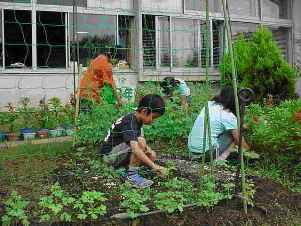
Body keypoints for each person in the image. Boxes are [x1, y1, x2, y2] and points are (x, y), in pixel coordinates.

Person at [100, 94, 167, 188]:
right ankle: (131, 175)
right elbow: (135, 148)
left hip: (119, 151)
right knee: (139, 143)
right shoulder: (130, 122)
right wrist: (154, 166)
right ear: (144, 111)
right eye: (153, 117)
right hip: (109, 156)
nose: (153, 121)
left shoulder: (137, 120)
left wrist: (149, 153)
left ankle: (128, 169)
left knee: (151, 153)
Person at [188, 86, 250, 161]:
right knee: (234, 134)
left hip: (192, 151)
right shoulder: (228, 115)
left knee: (232, 130)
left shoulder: (209, 104)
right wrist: (250, 153)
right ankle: (221, 158)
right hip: (206, 153)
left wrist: (241, 126)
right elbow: (240, 142)